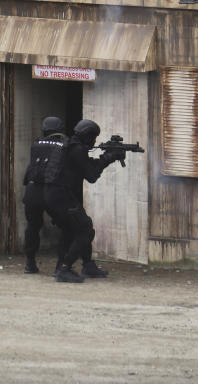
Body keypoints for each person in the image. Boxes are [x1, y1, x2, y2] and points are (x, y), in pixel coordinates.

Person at [44, 119, 123, 283]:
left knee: (70, 231)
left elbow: (84, 166)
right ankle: (64, 269)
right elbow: (91, 175)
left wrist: (106, 155)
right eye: (93, 138)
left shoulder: (69, 145)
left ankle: (83, 266)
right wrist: (108, 157)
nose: (94, 141)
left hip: (53, 195)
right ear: (87, 137)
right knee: (85, 230)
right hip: (61, 196)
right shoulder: (76, 149)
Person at [22, 116, 67, 274]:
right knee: (66, 226)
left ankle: (30, 262)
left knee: (32, 227)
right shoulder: (64, 145)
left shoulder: (36, 144)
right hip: (51, 191)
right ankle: (61, 265)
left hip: (33, 190)